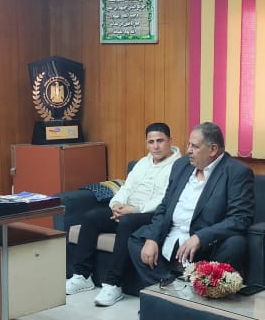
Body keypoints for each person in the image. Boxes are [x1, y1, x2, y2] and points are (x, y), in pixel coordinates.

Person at [65, 122, 182, 306]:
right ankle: (82, 275)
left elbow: (165, 199)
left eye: (160, 141)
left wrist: (133, 210)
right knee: (91, 217)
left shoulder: (179, 166)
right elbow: (126, 188)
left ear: (170, 141)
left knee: (127, 222)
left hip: (152, 214)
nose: (156, 146)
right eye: (151, 142)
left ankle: (114, 284)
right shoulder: (143, 163)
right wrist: (116, 205)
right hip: (128, 210)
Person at [129, 121, 255, 288]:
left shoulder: (236, 172)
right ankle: (168, 285)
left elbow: (240, 218)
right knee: (136, 239)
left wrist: (200, 237)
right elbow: (165, 206)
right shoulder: (181, 165)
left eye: (195, 146)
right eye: (189, 144)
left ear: (213, 149)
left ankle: (186, 288)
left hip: (204, 244)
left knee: (236, 244)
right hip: (172, 236)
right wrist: (152, 238)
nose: (189, 150)